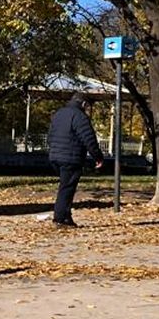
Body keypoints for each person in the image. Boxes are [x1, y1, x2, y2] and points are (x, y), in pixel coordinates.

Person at [47, 93, 104, 228]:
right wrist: (98, 157)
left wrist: (54, 150)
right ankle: (60, 218)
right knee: (66, 188)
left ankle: (66, 217)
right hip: (71, 157)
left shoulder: (59, 114)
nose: (88, 109)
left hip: (55, 156)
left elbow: (50, 137)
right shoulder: (80, 117)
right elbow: (88, 139)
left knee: (65, 186)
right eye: (88, 106)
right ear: (83, 104)